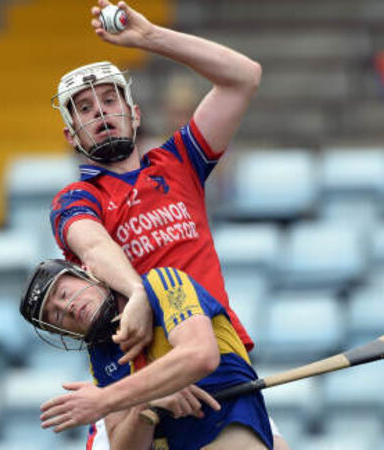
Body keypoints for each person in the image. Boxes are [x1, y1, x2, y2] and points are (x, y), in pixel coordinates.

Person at [50, 0, 259, 373]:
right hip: (152, 368)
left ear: (135, 115)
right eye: (84, 108)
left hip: (221, 353)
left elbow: (244, 76)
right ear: (72, 135)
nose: (100, 111)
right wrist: (140, 294)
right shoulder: (76, 199)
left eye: (109, 100)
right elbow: (93, 247)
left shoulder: (178, 162)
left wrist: (149, 37)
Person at [20, 259, 273, 450]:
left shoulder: (162, 283)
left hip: (226, 424)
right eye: (57, 316)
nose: (68, 308)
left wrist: (106, 399)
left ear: (87, 272)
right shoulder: (100, 355)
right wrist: (146, 402)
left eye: (64, 294)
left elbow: (200, 355)